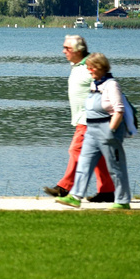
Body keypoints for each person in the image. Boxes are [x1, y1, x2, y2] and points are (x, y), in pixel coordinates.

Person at [44, 34, 115, 200]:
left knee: (76, 150)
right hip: (84, 120)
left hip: (90, 119)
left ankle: (64, 187)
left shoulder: (88, 67)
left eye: (67, 48)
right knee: (98, 157)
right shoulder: (77, 65)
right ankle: (107, 191)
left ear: (78, 51)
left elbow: (107, 84)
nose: (63, 51)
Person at [57, 53, 132, 209]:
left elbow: (119, 110)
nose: (89, 70)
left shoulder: (111, 85)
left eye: (91, 67)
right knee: (84, 163)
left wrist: (111, 130)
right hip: (91, 130)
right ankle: (75, 197)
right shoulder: (94, 84)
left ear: (99, 67)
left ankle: (123, 201)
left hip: (108, 130)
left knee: (115, 167)